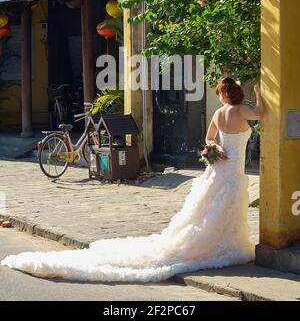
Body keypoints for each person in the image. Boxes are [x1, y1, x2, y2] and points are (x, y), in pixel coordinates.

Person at [1, 77, 265, 283]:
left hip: (218, 170)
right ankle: (226, 245)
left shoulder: (219, 114)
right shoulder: (243, 111)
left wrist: (215, 151)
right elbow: (262, 114)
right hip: (234, 173)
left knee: (209, 209)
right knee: (226, 208)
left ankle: (217, 244)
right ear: (238, 94)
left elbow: (208, 139)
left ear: (223, 94)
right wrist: (259, 95)